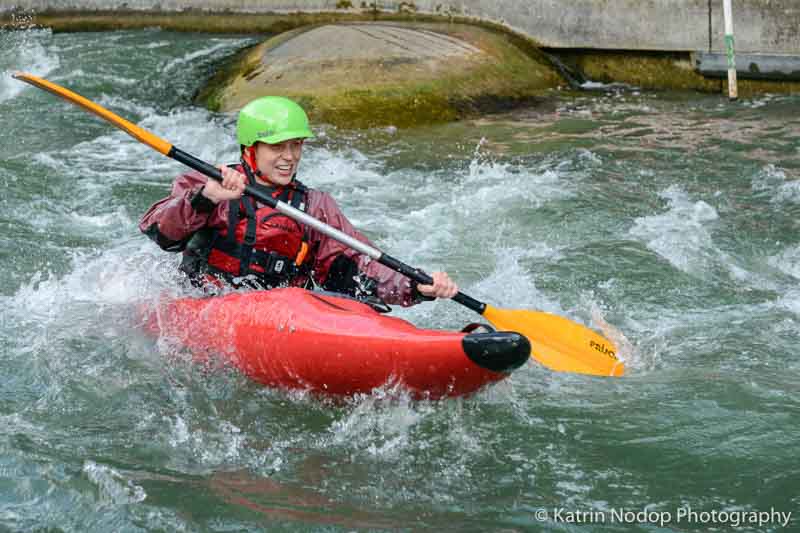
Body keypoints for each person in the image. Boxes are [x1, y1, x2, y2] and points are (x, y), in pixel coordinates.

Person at [139, 96, 458, 307]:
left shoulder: (315, 206)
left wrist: (415, 286)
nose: (289, 157)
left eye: (296, 146)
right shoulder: (207, 183)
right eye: (278, 147)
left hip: (285, 314)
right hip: (205, 303)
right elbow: (160, 232)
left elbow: (358, 264)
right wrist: (206, 198)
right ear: (251, 149)